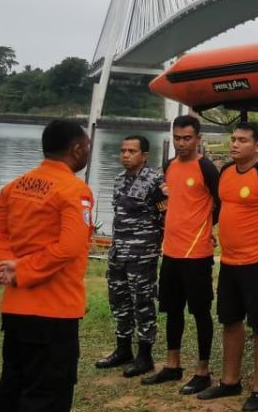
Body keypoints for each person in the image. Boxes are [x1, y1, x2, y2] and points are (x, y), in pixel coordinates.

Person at [0, 119, 94, 412]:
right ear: (77, 148)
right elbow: (70, 247)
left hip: (17, 309)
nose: (88, 151)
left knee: (12, 384)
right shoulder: (74, 190)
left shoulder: (15, 186)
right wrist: (23, 270)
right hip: (55, 310)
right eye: (88, 146)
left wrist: (7, 266)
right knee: (48, 393)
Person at [198, 121, 258, 411]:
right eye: (233, 139)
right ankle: (230, 381)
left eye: (242, 140)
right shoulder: (226, 172)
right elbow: (222, 208)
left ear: (257, 146)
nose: (235, 144)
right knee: (230, 320)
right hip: (229, 261)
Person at [142, 115, 220, 395]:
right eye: (177, 137)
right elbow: (166, 199)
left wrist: (210, 226)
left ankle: (202, 371)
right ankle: (173, 365)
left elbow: (221, 201)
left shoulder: (207, 168)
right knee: (172, 309)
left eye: (187, 138)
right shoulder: (170, 166)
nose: (181, 143)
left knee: (200, 312)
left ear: (198, 139)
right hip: (171, 250)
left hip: (197, 253)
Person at [96, 134, 166, 378]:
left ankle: (144, 355)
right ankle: (123, 349)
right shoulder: (118, 180)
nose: (126, 155)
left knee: (143, 303)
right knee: (119, 300)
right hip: (118, 251)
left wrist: (158, 246)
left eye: (131, 151)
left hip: (142, 254)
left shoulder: (156, 181)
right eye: (123, 150)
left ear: (144, 155)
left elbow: (165, 217)